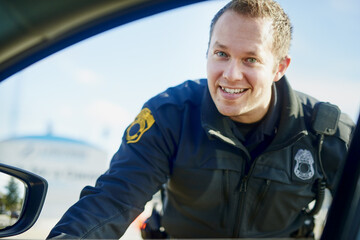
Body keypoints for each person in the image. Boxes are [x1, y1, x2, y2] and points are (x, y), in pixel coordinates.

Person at [47, 0, 355, 239]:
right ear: (207, 52)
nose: (231, 74)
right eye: (221, 54)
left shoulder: (325, 132)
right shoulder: (169, 116)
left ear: (279, 67)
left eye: (250, 59)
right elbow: (112, 201)